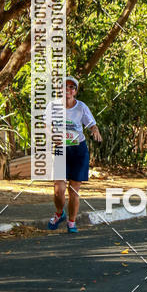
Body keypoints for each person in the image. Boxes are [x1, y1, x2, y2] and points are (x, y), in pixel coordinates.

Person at [47, 76, 102, 233]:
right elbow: (46, 125)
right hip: (60, 149)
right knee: (58, 189)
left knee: (74, 190)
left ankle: (71, 222)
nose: (68, 90)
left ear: (75, 91)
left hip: (78, 150)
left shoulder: (81, 107)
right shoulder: (53, 106)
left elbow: (92, 124)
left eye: (72, 87)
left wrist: (95, 131)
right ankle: (59, 214)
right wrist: (53, 135)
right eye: (65, 87)